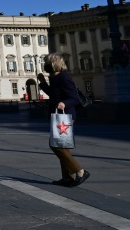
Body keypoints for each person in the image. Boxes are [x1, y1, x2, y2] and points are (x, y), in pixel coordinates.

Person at [38, 52, 90, 187]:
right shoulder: (55, 78)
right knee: (63, 147)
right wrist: (43, 84)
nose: (45, 65)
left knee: (55, 145)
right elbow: (54, 94)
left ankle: (80, 171)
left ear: (53, 64)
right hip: (59, 115)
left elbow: (74, 97)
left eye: (47, 63)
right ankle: (68, 177)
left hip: (65, 116)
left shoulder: (64, 78)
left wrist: (64, 103)